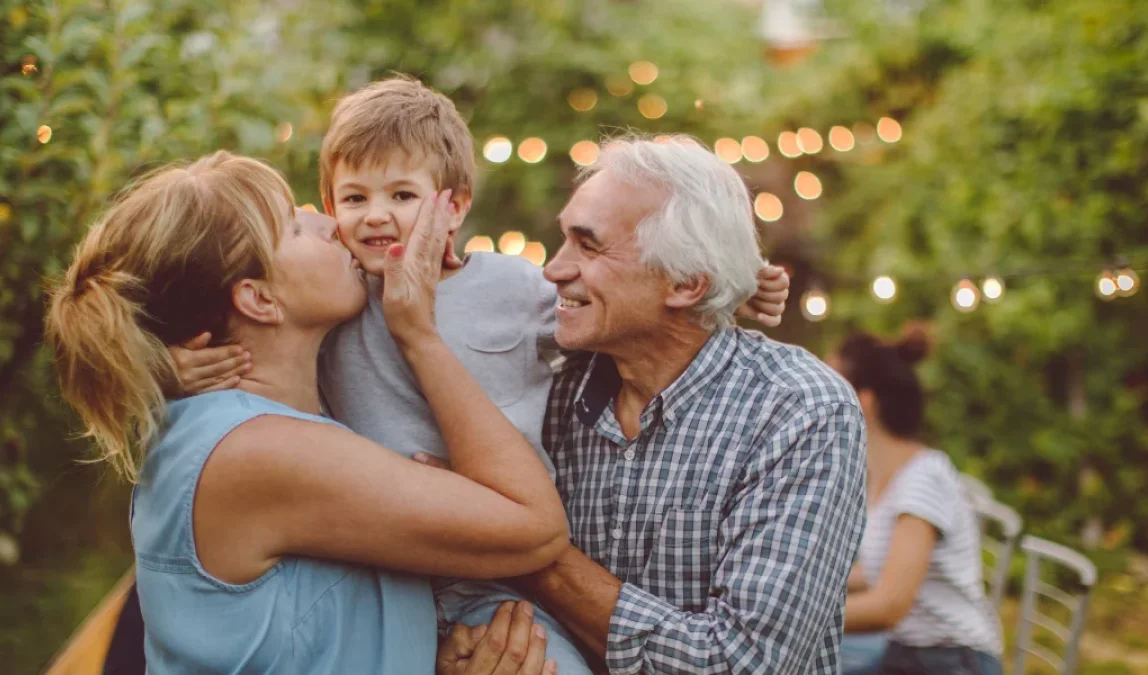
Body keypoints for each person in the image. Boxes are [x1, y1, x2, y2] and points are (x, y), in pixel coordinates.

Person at [170, 77, 791, 675]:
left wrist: (731, 286)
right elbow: (230, 347)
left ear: (455, 205)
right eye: (354, 199)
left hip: (496, 572)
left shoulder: (512, 288)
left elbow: (618, 309)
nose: (375, 217)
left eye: (402, 196)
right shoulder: (341, 296)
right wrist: (169, 366)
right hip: (387, 557)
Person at [44, 152, 568, 674]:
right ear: (259, 299)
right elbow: (535, 529)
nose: (330, 223)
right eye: (294, 227)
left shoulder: (235, 430)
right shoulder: (255, 451)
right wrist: (417, 333)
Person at [438, 136, 868, 674]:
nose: (552, 270)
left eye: (588, 246)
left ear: (687, 283)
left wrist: (515, 540)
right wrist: (463, 648)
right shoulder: (548, 387)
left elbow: (738, 665)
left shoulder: (799, 411)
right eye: (563, 238)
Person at [828, 327, 1003, 675]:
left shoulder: (922, 478)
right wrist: (806, 580)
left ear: (864, 401)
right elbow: (880, 570)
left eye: (825, 384)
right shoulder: (883, 477)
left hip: (951, 660)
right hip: (909, 653)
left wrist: (791, 616)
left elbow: (889, 604)